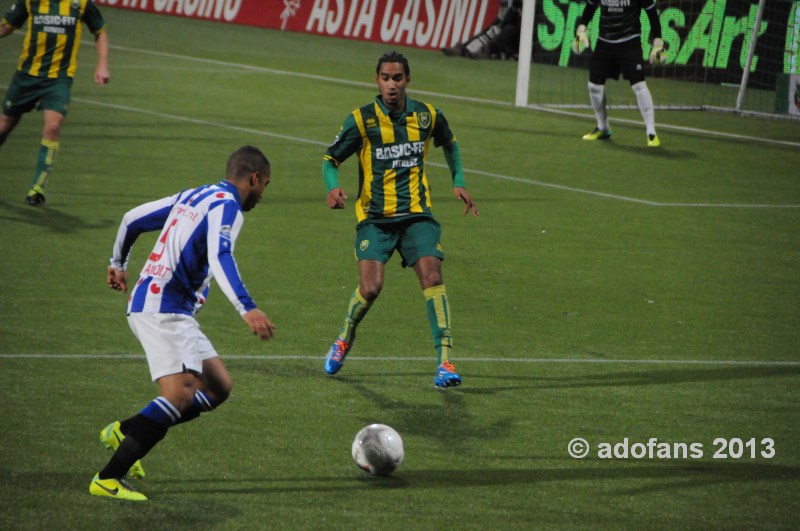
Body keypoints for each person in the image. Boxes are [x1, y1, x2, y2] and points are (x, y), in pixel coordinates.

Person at [90, 146, 276, 501]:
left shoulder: (197, 194)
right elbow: (221, 255)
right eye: (264, 185)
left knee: (218, 387)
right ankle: (108, 478)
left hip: (167, 305)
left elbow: (132, 218)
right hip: (164, 308)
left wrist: (118, 261)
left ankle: (124, 431)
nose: (263, 194)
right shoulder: (229, 207)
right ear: (253, 178)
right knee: (179, 394)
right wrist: (246, 308)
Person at [322, 51, 479, 389]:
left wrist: (459, 180)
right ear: (376, 81)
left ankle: (445, 362)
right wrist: (333, 188)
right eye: (385, 78)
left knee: (432, 275)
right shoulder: (361, 120)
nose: (391, 85)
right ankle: (344, 337)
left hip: (417, 215)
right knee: (371, 287)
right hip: (375, 219)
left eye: (397, 78)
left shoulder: (426, 116)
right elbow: (329, 159)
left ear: (408, 79)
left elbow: (450, 144)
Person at [0, 0, 110, 206]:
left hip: (59, 79)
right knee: (4, 125)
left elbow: (100, 30)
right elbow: (6, 26)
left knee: (53, 126)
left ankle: (37, 188)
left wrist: (102, 64)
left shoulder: (80, 3)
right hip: (26, 76)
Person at [572, 0, 666, 147]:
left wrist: (658, 43)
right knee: (594, 86)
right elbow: (590, 6)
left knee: (639, 85)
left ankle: (651, 133)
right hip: (604, 42)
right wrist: (581, 29)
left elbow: (652, 14)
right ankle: (603, 128)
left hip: (630, 43)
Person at [441, 0, 522, 60]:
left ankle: (487, 52)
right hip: (513, 29)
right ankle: (464, 48)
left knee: (508, 29)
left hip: (521, 39)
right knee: (494, 28)